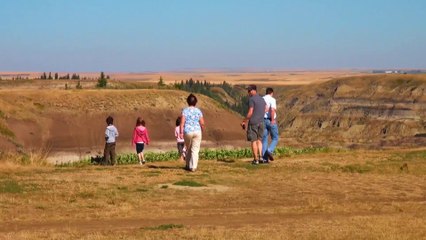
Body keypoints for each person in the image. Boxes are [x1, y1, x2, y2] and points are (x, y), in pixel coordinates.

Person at [241, 84, 267, 165]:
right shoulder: (262, 99)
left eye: (249, 91)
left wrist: (244, 121)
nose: (248, 92)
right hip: (262, 122)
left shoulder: (252, 99)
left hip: (253, 122)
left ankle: (255, 159)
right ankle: (261, 158)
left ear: (253, 90)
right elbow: (266, 108)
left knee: (253, 141)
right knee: (260, 140)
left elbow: (250, 112)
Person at [179, 94, 205, 172]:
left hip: (188, 131)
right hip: (197, 131)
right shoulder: (198, 111)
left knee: (188, 149)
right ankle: (193, 167)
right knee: (195, 149)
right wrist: (202, 129)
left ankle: (187, 164)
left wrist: (181, 132)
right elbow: (202, 123)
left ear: (188, 102)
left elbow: (182, 123)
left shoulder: (185, 110)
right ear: (195, 102)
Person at [262, 87, 279, 161]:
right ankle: (269, 150)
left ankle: (264, 158)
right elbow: (272, 110)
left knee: (264, 139)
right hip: (270, 120)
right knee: (275, 137)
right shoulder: (272, 99)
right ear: (272, 93)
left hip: (263, 120)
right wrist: (272, 120)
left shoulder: (262, 99)